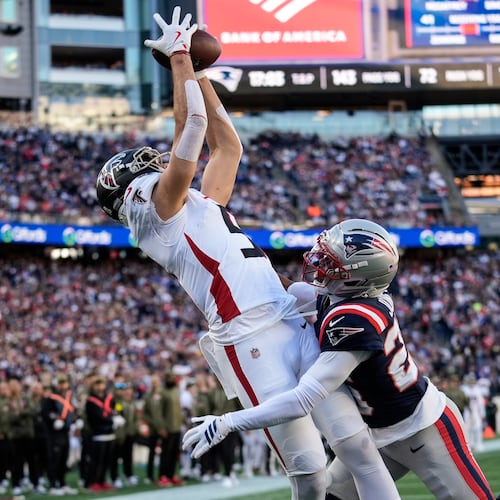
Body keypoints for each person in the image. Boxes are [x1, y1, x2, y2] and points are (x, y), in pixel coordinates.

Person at [95, 7, 399, 499]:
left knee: (357, 447)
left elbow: (226, 147)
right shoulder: (159, 217)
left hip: (284, 315)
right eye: (140, 166)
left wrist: (197, 73)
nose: (151, 162)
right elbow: (191, 128)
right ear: (128, 192)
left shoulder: (192, 205)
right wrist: (179, 61)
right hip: (247, 336)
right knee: (310, 472)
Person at [183, 218, 495, 500]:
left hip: (423, 428)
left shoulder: (355, 320)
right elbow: (288, 287)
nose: (319, 263)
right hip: (377, 432)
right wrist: (238, 259)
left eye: (332, 263)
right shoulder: (345, 296)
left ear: (358, 278)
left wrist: (228, 422)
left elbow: (303, 399)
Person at [41, 374, 78, 495]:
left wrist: (76, 420)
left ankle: (62, 483)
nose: (63, 385)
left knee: (63, 459)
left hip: (65, 432)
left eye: (65, 383)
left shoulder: (69, 397)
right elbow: (45, 413)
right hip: (54, 434)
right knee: (54, 459)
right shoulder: (51, 398)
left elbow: (73, 411)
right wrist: (53, 421)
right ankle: (53, 485)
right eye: (61, 383)